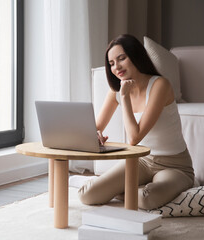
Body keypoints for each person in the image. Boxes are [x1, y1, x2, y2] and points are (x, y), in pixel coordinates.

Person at [78, 34, 194, 210]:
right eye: (111, 63)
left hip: (174, 165)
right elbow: (95, 128)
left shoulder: (160, 85)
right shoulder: (115, 90)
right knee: (87, 195)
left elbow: (134, 138)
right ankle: (129, 189)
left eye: (121, 59)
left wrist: (124, 96)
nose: (116, 67)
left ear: (135, 56)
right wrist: (96, 134)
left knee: (146, 199)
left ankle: (134, 189)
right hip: (140, 162)